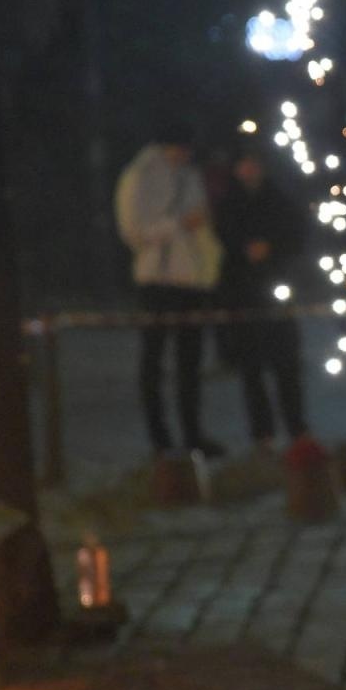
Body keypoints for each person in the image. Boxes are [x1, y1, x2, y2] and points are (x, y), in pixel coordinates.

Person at [115, 122, 226, 457]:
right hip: (158, 280)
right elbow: (134, 232)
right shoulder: (141, 175)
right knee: (154, 361)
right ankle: (160, 440)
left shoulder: (189, 175)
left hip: (190, 279)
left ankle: (193, 435)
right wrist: (179, 224)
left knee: (189, 363)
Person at [213, 138, 310, 448]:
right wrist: (243, 252)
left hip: (276, 291)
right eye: (245, 162)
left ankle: (296, 427)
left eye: (255, 162)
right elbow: (222, 243)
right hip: (244, 293)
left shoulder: (278, 200)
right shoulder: (227, 204)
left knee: (286, 366)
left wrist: (272, 248)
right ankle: (262, 432)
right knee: (252, 369)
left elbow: (297, 236)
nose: (251, 169)